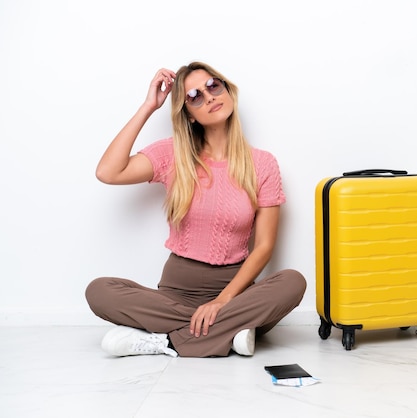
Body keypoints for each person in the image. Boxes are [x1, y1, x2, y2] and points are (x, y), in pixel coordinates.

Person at [85, 62, 307, 358]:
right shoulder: (173, 153)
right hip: (176, 293)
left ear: (228, 91)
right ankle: (230, 335)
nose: (210, 96)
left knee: (292, 281)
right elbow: (108, 172)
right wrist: (148, 106)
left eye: (213, 86)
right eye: (195, 96)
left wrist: (223, 301)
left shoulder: (263, 164)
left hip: (236, 293)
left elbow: (265, 247)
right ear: (188, 114)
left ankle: (166, 340)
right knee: (99, 290)